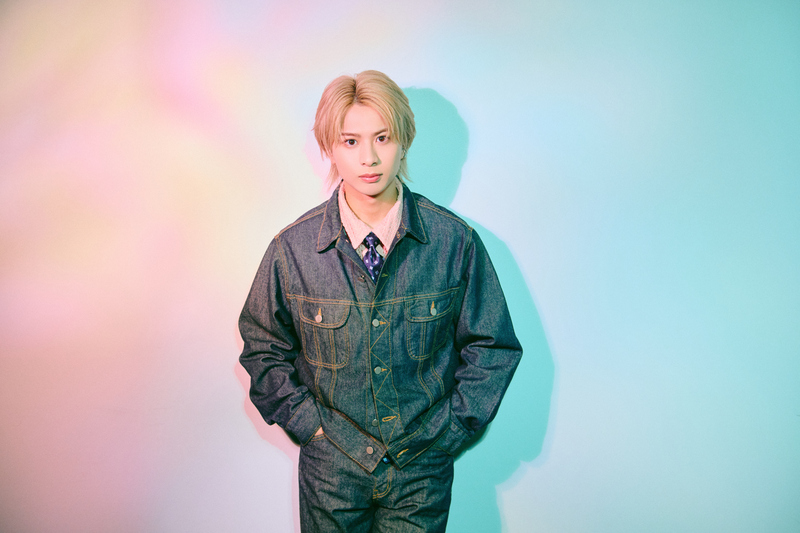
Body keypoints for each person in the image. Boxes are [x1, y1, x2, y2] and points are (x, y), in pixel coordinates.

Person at [239, 70, 522, 532]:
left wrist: (449, 431)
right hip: (331, 475)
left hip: (420, 474)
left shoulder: (454, 242)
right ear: (330, 148)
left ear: (404, 142)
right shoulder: (293, 250)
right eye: (350, 141)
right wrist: (311, 427)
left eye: (382, 138)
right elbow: (262, 347)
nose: (368, 158)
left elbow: (493, 347)